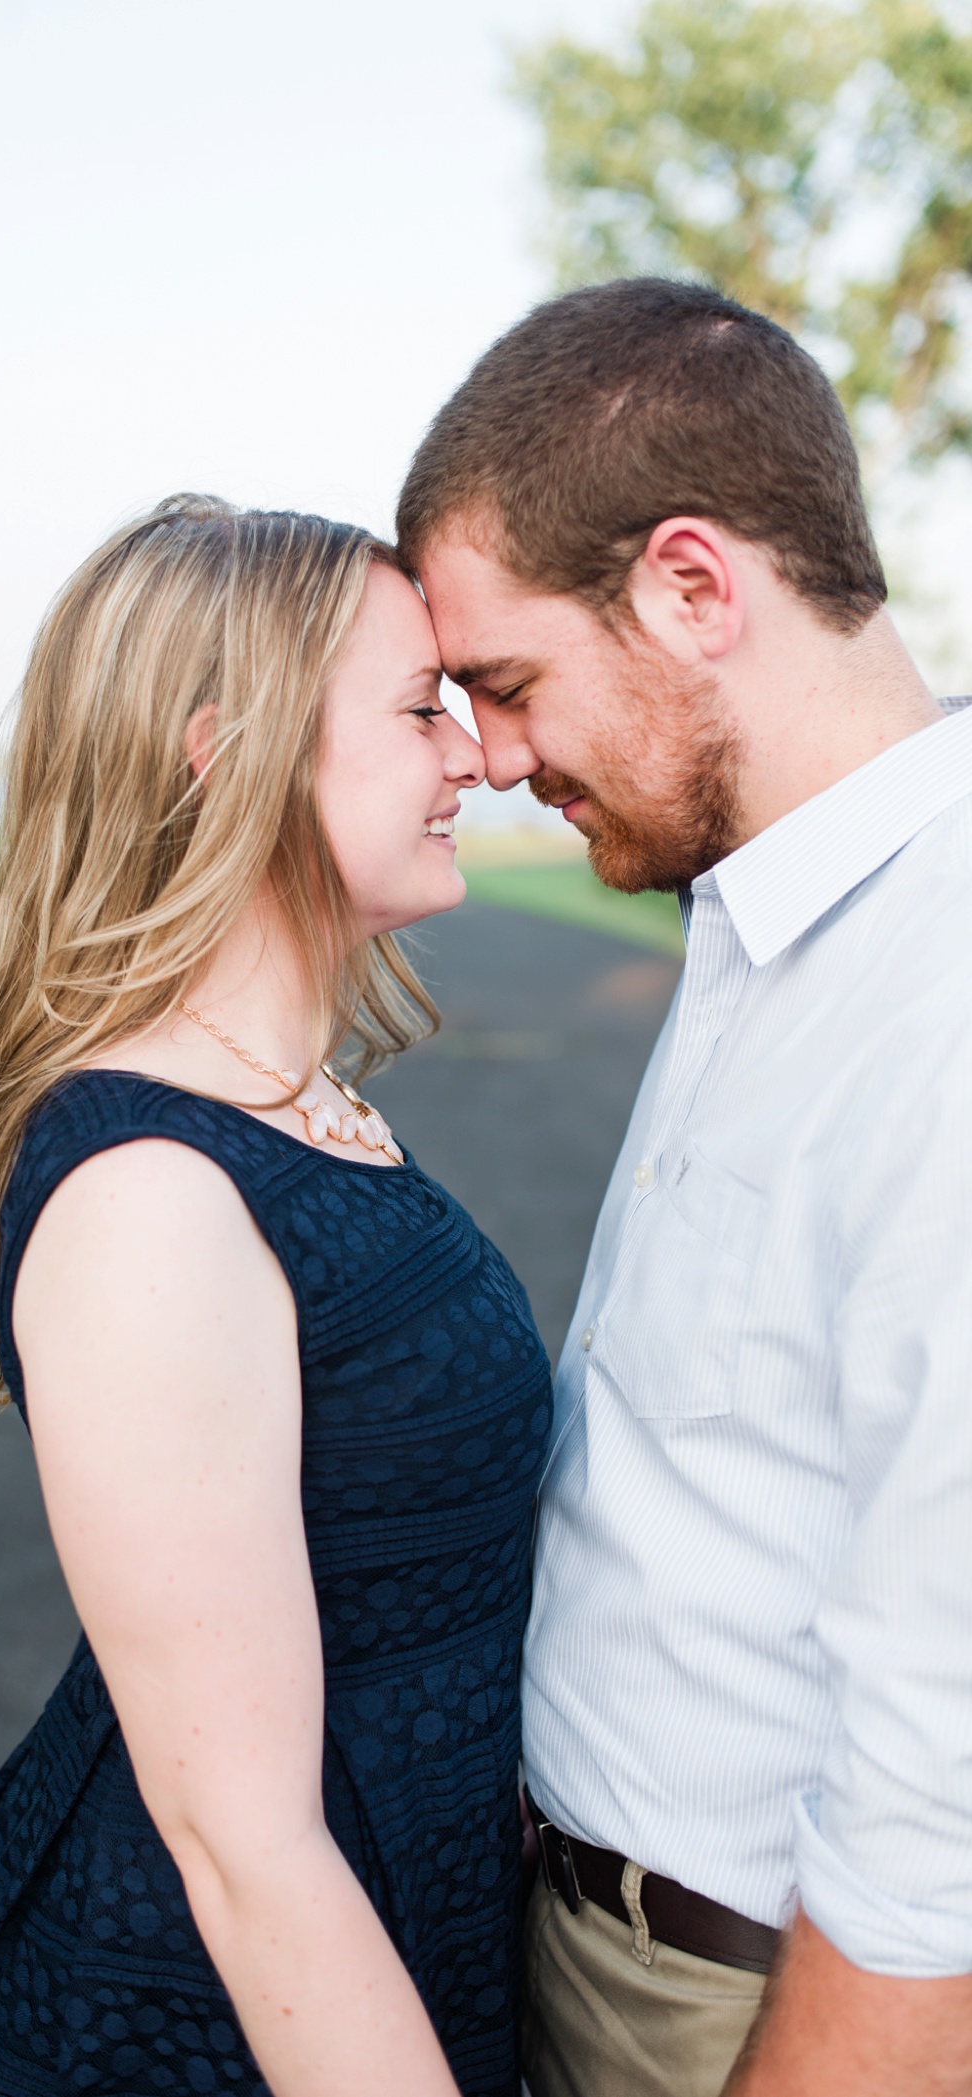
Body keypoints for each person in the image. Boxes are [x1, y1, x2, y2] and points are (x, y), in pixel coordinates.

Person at [397, 277, 972, 2097]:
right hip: (590, 1943)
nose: (486, 756)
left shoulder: (941, 991)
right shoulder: (762, 902)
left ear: (693, 587)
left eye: (507, 682)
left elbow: (943, 1774)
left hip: (743, 2013)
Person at [0, 495, 552, 2097]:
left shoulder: (293, 1101)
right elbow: (242, 1841)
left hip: (398, 1943)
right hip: (203, 2022)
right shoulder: (153, 1197)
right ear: (225, 751)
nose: (474, 755)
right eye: (418, 709)